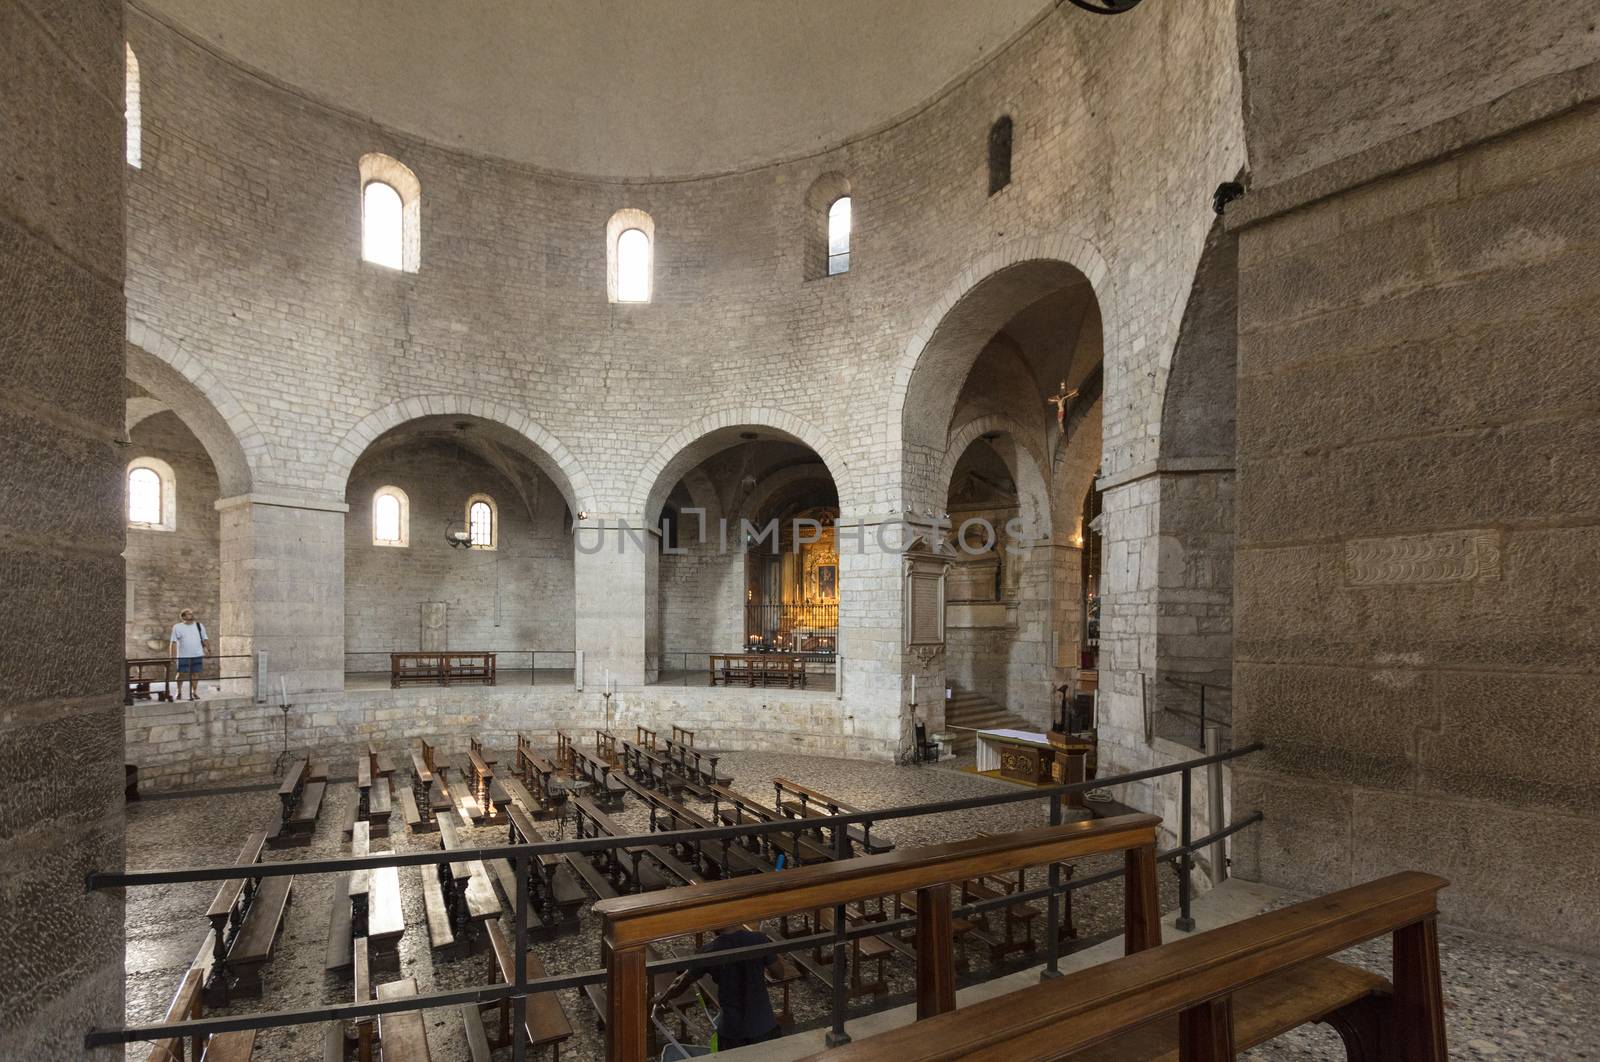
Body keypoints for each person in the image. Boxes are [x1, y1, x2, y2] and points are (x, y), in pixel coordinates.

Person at [654, 924, 783, 1049]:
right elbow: (779, 973)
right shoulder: (758, 939)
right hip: (763, 1025)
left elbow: (681, 982)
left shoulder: (709, 951)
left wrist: (663, 998)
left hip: (732, 1030)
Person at [168, 609, 210, 701]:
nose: (191, 616)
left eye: (192, 614)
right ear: (183, 617)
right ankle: (178, 691)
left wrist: (208, 650)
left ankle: (193, 692)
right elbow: (173, 642)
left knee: (195, 674)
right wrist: (173, 655)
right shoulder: (177, 627)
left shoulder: (199, 626)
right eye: (189, 614)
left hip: (197, 654)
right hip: (183, 655)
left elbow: (205, 638)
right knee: (181, 674)